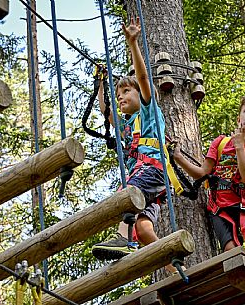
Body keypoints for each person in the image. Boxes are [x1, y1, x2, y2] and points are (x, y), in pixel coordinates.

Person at [91, 17, 178, 274]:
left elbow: (141, 77)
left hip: (152, 170)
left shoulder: (149, 112)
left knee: (125, 195)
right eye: (119, 96)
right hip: (146, 178)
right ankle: (174, 268)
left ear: (139, 93)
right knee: (143, 227)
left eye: (126, 93)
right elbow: (105, 111)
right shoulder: (127, 125)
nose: (121, 99)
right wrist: (100, 84)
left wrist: (133, 43)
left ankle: (123, 240)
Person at [173, 92, 245, 272]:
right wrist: (179, 158)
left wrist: (240, 146)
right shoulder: (221, 142)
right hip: (219, 206)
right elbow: (202, 173)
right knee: (231, 249)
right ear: (238, 117)